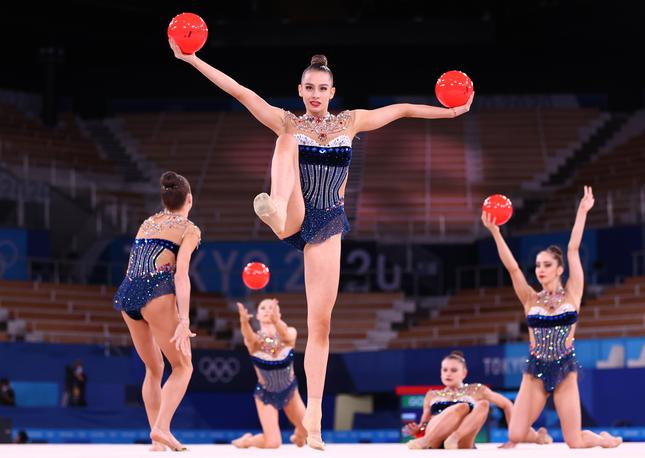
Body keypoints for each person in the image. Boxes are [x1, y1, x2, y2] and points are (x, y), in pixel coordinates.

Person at [170, 42, 474, 449]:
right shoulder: (291, 121)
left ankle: (313, 417)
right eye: (309, 88)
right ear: (300, 90)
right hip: (293, 209)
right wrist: (192, 59)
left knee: (321, 323)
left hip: (328, 221)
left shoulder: (351, 122)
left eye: (322, 88)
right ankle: (274, 206)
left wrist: (450, 112)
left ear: (332, 92)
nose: (315, 94)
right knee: (284, 137)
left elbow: (401, 109)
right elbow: (240, 91)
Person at [482, 186, 622, 448]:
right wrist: (495, 233)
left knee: (575, 442)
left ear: (559, 269)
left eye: (546, 264)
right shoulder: (530, 299)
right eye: (537, 265)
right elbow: (512, 268)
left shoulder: (573, 294)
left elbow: (573, 248)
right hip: (535, 371)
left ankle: (603, 440)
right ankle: (540, 436)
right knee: (514, 434)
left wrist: (582, 212)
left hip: (564, 370)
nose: (540, 269)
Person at [113, 171, 201, 452]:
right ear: (189, 199)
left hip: (128, 294)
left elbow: (133, 266)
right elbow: (182, 275)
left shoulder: (148, 222)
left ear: (165, 199)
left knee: (154, 368)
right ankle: (162, 428)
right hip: (155, 293)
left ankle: (156, 441)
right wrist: (184, 318)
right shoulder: (189, 229)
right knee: (183, 366)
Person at [405, 351, 551, 449]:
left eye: (453, 370)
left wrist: (514, 437)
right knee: (461, 407)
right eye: (444, 370)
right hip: (434, 438)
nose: (448, 374)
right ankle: (426, 442)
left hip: (461, 441)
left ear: (464, 373)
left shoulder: (477, 390)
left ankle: (536, 437)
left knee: (483, 404)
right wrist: (418, 430)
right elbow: (424, 424)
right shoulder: (432, 395)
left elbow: (506, 404)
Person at [231, 299, 307, 448]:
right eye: (263, 308)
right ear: (257, 315)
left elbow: (285, 335)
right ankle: (248, 441)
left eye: (272, 308)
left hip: (290, 391)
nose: (267, 310)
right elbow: (248, 337)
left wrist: (277, 322)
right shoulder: (255, 342)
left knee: (310, 431)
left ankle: (299, 435)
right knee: (273, 443)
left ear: (279, 313)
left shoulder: (290, 333)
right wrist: (244, 322)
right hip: (266, 394)